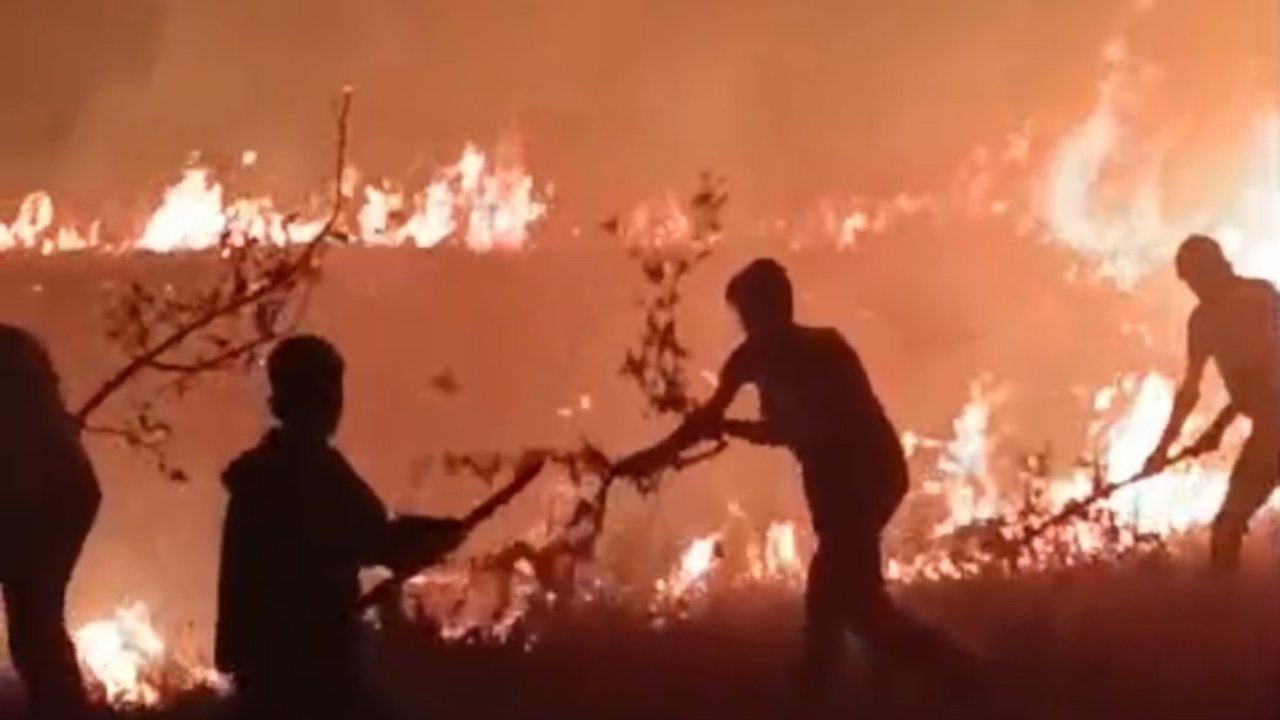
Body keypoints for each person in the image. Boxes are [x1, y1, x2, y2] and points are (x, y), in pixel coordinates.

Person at [612, 259, 978, 713]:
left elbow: (815, 428)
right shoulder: (748, 360)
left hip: (867, 475)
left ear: (776, 308)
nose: (747, 324)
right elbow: (707, 421)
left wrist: (734, 428)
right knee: (853, 603)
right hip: (833, 486)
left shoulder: (827, 351)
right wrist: (648, 460)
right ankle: (940, 678)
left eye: (751, 312)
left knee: (836, 597)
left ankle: (942, 678)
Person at [215, 334, 465, 719]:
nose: (335, 401)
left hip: (266, 674)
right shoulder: (307, 471)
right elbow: (373, 540)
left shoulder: (261, 474)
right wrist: (433, 538)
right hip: (311, 671)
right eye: (326, 387)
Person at [1142, 234, 1280, 573]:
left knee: (1227, 530)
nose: (1195, 288)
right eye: (1189, 282)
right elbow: (1190, 392)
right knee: (1226, 530)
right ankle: (1226, 613)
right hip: (1267, 432)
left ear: (1216, 267)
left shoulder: (1258, 297)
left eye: (1197, 277)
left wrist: (1218, 428)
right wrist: (1161, 449)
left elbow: (1265, 376)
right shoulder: (1202, 322)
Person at [0, 324, 101, 720]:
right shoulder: (17, 348)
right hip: (55, 491)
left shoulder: (11, 353)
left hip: (36, 498)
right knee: (37, 623)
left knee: (35, 625)